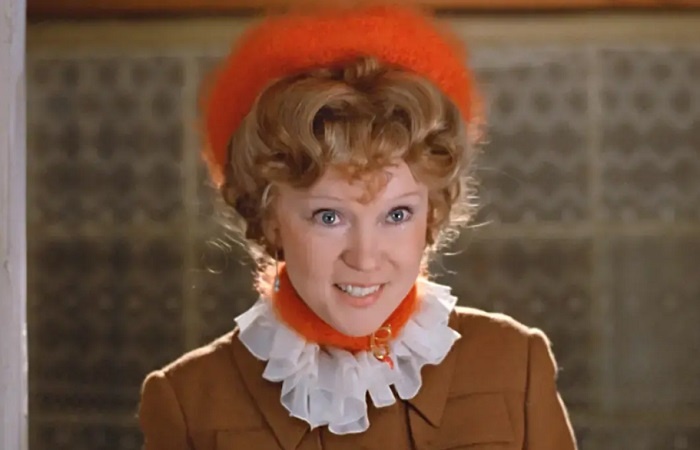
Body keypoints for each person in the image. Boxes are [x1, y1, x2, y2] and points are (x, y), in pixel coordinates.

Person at [138, 4, 578, 450]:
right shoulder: (187, 403)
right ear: (270, 220)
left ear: (431, 214)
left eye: (397, 215)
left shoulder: (515, 364)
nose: (365, 258)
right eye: (329, 217)